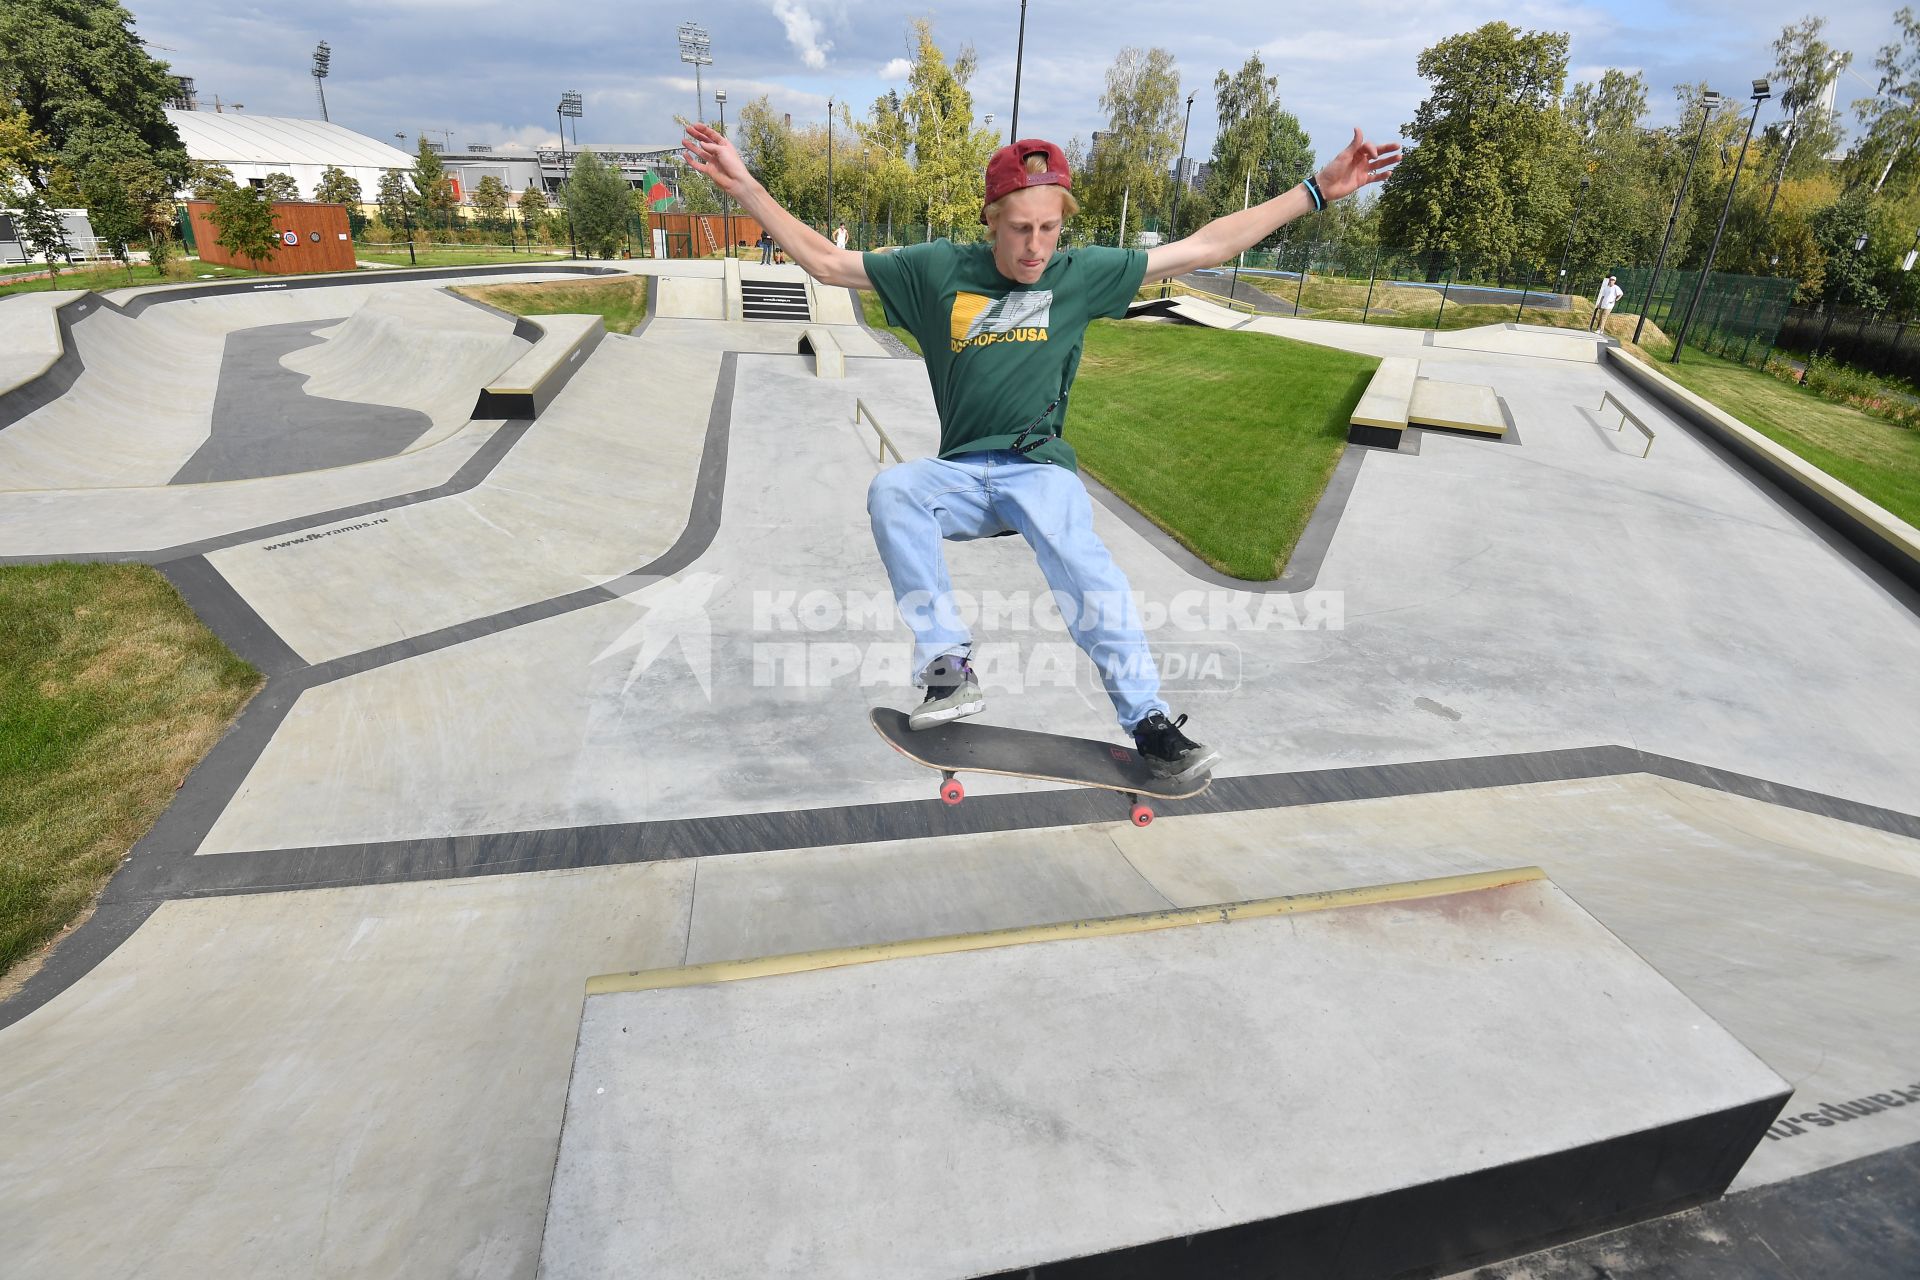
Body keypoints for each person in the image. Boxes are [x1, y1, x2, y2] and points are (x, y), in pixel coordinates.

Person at [680, 122, 1399, 780]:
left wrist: (1314, 193)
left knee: (1086, 565)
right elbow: (830, 263)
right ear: (990, 221)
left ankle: (1148, 719)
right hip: (960, 474)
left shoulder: (1078, 274)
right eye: (1020, 229)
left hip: (1037, 467)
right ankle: (947, 665)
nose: (1035, 247)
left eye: (1049, 229)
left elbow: (1205, 246)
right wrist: (744, 185)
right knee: (893, 489)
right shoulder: (935, 270)